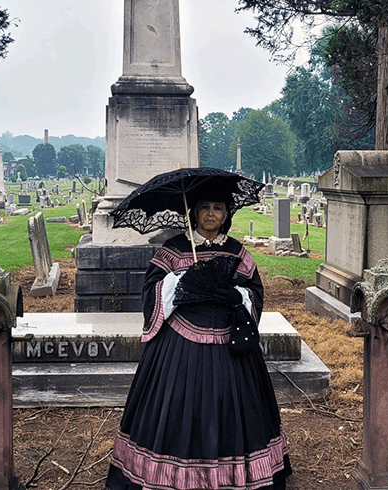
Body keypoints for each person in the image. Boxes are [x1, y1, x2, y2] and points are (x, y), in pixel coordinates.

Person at [105, 195, 291, 490]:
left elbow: (255, 293)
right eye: (205, 207)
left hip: (231, 344)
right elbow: (150, 292)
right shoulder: (174, 249)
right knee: (178, 406)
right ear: (194, 212)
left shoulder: (237, 252)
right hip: (180, 345)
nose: (211, 213)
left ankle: (236, 476)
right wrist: (182, 281)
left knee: (235, 410)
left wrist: (237, 296)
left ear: (226, 213)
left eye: (218, 207)